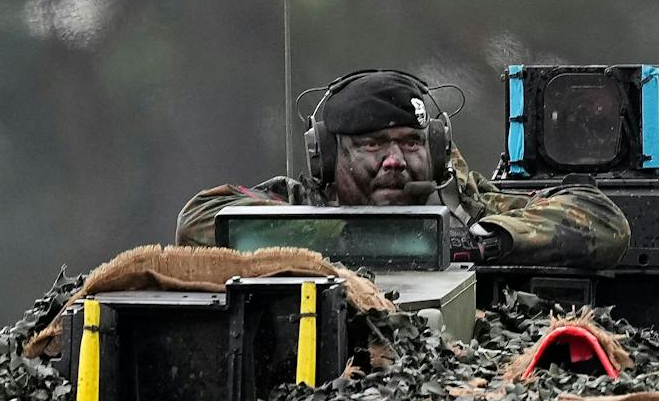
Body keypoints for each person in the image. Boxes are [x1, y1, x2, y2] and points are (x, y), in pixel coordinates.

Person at [176, 69, 631, 269]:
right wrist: (333, 238)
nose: (394, 160)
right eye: (372, 145)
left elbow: (602, 220)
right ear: (328, 157)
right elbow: (197, 220)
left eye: (411, 143)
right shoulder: (299, 204)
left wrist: (482, 241)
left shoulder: (466, 206)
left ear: (435, 151)